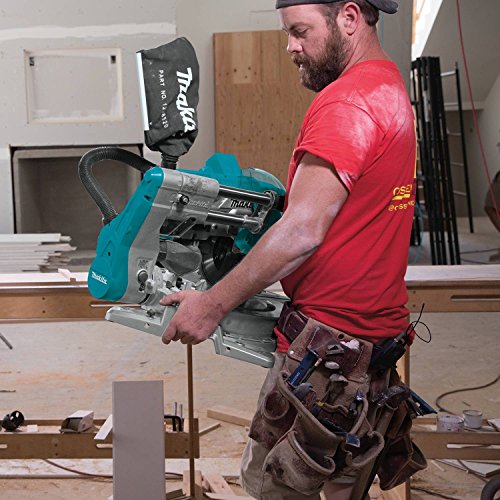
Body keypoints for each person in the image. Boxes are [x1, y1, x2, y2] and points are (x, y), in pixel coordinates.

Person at [160, 0, 420, 498]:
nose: (290, 47)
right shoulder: (388, 87)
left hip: (325, 358)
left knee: (274, 486)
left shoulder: (347, 103)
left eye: (300, 31)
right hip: (373, 345)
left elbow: (302, 230)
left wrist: (212, 304)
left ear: (349, 18)